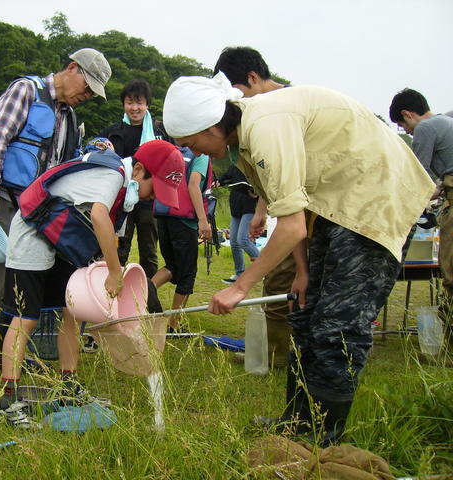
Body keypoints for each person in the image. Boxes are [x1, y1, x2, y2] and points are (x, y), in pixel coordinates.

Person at [163, 73, 434, 445]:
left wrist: (241, 286)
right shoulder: (242, 142)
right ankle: (296, 423)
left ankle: (321, 438)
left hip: (375, 197)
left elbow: (290, 226)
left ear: (210, 125)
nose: (194, 152)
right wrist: (302, 271)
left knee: (337, 326)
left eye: (190, 143)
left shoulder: (264, 126)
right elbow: (290, 210)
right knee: (305, 314)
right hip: (334, 204)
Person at [0, 139, 185, 428]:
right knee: (26, 318)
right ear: (139, 171)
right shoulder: (113, 176)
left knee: (72, 312)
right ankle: (7, 401)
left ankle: (67, 387)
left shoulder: (128, 197)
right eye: (156, 188)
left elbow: (113, 239)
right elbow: (98, 214)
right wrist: (111, 271)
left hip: (62, 241)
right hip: (33, 231)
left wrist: (113, 274)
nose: (154, 198)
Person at [0, 48, 112, 387]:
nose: (86, 96)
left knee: (15, 286)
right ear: (72, 68)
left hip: (35, 211)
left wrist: (96, 148)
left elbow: (66, 162)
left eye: (93, 94)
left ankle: (8, 357)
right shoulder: (26, 91)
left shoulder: (69, 116)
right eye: (87, 87)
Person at [213, 46, 292, 369]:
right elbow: (272, 176)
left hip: (313, 214)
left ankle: (285, 357)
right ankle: (275, 353)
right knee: (279, 279)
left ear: (253, 78)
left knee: (291, 282)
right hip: (286, 210)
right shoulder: (257, 117)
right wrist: (262, 211)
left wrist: (240, 286)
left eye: (237, 95)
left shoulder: (283, 109)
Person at [390, 88, 453, 352]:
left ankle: (449, 348)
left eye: (404, 126)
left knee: (451, 274)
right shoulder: (447, 121)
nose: (408, 132)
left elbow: (417, 175)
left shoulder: (426, 127)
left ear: (407, 114)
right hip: (447, 191)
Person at [99, 79, 172, 278]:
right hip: (121, 199)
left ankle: (147, 293)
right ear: (123, 104)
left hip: (149, 200)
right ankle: (115, 288)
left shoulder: (161, 133)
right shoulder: (112, 133)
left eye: (139, 102)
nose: (134, 108)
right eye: (130, 102)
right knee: (120, 245)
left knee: (149, 250)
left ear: (147, 104)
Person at [152, 148, 213, 333]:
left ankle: (145, 290)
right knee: (187, 273)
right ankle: (173, 326)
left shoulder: (174, 152)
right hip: (184, 219)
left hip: (162, 215)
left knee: (173, 266)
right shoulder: (201, 154)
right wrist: (203, 220)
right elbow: (194, 184)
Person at [217, 163, 260, 284]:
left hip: (249, 207)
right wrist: (218, 182)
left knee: (243, 240)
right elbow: (223, 178)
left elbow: (261, 187)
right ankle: (240, 274)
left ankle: (264, 270)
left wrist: (255, 194)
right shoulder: (234, 166)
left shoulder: (253, 166)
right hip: (236, 208)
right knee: (234, 242)